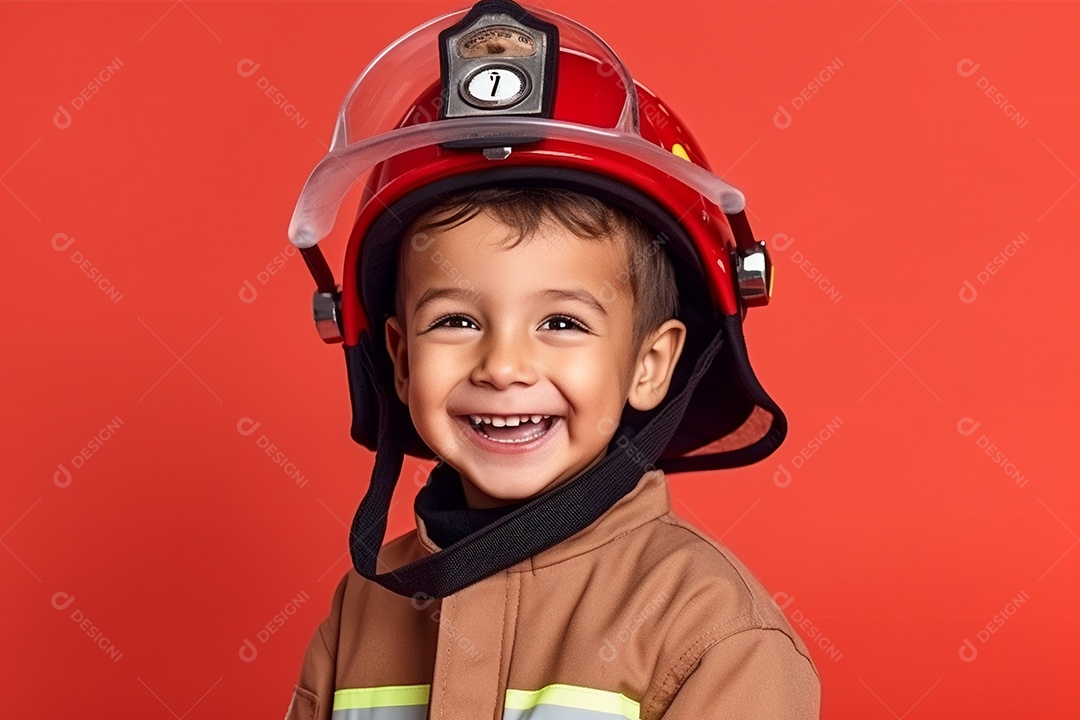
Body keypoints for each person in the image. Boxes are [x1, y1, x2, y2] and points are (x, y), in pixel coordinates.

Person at [283, 1, 820, 717]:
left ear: (650, 364)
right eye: (457, 320)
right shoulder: (364, 608)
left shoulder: (713, 633)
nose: (503, 365)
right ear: (399, 360)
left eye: (562, 321)